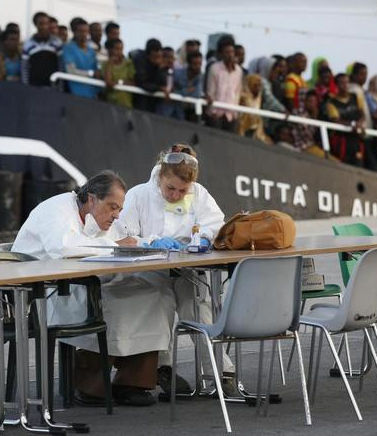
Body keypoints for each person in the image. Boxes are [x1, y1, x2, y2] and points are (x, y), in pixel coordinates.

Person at [12, 170, 174, 406]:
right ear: (91, 198)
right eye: (112, 207)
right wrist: (113, 245)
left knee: (153, 292)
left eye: (119, 209)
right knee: (116, 301)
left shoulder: (98, 217)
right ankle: (89, 383)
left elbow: (123, 239)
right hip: (47, 292)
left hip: (82, 284)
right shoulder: (55, 210)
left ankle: (132, 382)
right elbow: (64, 248)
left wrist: (147, 243)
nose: (116, 215)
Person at [113, 144, 238, 397]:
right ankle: (161, 367)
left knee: (200, 309)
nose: (175, 195)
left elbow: (215, 223)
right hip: (149, 270)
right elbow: (121, 236)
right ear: (160, 177)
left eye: (183, 190)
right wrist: (149, 243)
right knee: (160, 303)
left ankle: (220, 372)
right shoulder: (138, 195)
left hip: (188, 269)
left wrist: (203, 237)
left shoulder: (199, 194)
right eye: (171, 188)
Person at [324, 73, 365, 166]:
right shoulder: (331, 103)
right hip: (342, 141)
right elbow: (335, 120)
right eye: (342, 83)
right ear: (337, 85)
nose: (345, 85)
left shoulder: (355, 97)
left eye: (347, 82)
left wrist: (359, 123)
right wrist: (352, 124)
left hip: (356, 138)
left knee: (359, 163)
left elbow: (362, 114)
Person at [206, 37, 243, 132]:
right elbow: (211, 91)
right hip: (216, 114)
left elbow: (237, 92)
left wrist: (235, 114)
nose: (230, 55)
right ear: (221, 54)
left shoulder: (239, 71)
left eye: (231, 52)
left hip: (231, 115)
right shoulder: (214, 68)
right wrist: (212, 111)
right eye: (226, 52)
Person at [290, 89, 337, 160]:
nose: (312, 104)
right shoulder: (298, 113)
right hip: (304, 147)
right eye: (310, 101)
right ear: (304, 101)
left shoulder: (312, 113)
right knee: (333, 162)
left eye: (314, 102)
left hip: (313, 146)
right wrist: (315, 116)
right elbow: (308, 135)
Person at [21, 11, 62, 86]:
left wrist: (60, 86)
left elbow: (61, 66)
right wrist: (25, 86)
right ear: (35, 24)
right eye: (40, 24)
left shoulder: (57, 43)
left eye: (46, 23)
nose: (43, 27)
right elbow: (24, 68)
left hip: (53, 86)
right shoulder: (28, 44)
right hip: (34, 86)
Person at [63, 17, 100, 98]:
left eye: (86, 31)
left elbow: (97, 71)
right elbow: (71, 71)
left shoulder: (92, 51)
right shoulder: (68, 48)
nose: (84, 34)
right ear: (74, 32)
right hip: (76, 95)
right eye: (80, 31)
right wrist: (91, 73)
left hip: (93, 94)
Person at [237, 74, 273, 143]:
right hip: (243, 129)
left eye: (259, 86)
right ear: (249, 85)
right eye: (255, 86)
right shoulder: (243, 97)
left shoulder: (259, 97)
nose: (258, 88)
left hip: (255, 129)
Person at [134, 38, 166, 112]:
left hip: (154, 103)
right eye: (155, 52)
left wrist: (160, 69)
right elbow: (142, 82)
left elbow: (163, 83)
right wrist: (159, 88)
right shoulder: (140, 61)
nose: (158, 54)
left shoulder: (160, 63)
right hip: (140, 101)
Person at [170, 49, 204, 120]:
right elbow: (172, 92)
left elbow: (197, 94)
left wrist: (183, 91)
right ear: (189, 64)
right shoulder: (177, 74)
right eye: (195, 64)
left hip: (189, 113)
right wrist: (187, 91)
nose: (198, 67)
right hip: (173, 112)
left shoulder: (199, 77)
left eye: (200, 64)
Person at [101, 37, 135, 108]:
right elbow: (108, 82)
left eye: (121, 49)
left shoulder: (128, 63)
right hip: (110, 105)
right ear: (110, 50)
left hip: (126, 104)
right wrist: (110, 64)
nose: (119, 52)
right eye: (116, 49)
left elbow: (133, 82)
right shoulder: (105, 64)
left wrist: (118, 82)